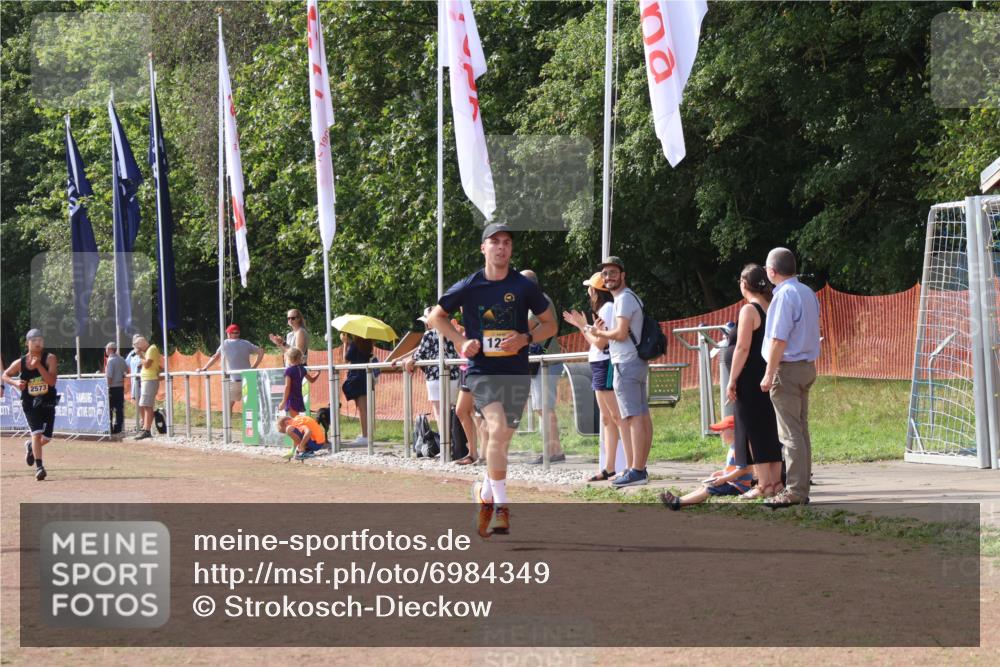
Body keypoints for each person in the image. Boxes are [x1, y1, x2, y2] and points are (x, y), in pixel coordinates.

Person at [428, 222, 556, 538]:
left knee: (501, 442)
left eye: (507, 243)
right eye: (495, 242)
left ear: (511, 249)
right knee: (497, 430)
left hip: (516, 372)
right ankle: (501, 509)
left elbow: (550, 325)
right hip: (482, 372)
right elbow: (435, 317)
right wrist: (459, 341)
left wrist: (525, 338)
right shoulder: (470, 286)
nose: (501, 248)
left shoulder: (524, 287)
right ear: (484, 248)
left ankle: (485, 493)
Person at [761, 247, 821, 507]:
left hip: (788, 368)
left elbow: (778, 339)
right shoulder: (807, 292)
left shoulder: (784, 296)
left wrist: (768, 373)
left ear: (772, 271)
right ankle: (802, 484)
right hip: (807, 365)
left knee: (789, 433)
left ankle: (795, 490)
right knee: (801, 429)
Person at [588, 256, 653, 488]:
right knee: (641, 415)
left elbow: (620, 334)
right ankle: (640, 468)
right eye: (605, 274)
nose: (608, 277)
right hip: (634, 361)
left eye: (613, 272)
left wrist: (597, 332)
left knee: (632, 416)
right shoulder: (627, 297)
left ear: (623, 274)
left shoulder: (624, 299)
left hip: (626, 362)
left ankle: (636, 470)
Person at [723, 264, 785, 499]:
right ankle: (776, 482)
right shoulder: (771, 307)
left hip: (749, 377)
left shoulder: (749, 310)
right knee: (768, 429)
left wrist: (732, 379)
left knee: (751, 429)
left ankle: (763, 484)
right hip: (766, 373)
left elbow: (742, 347)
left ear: (744, 284)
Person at [563, 272, 629, 481]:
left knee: (617, 417)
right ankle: (609, 467)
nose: (588, 291)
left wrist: (583, 325)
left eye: (590, 288)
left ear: (595, 291)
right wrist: (582, 325)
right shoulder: (603, 309)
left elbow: (601, 343)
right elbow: (595, 340)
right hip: (599, 363)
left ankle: (630, 465)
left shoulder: (608, 309)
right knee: (608, 419)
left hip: (605, 363)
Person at [658, 415, 753, 509]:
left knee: (709, 489)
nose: (720, 433)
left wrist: (724, 478)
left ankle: (679, 503)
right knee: (705, 486)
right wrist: (721, 473)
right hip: (732, 483)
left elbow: (745, 469)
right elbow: (733, 468)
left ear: (734, 431)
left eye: (723, 430)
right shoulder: (733, 447)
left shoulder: (740, 448)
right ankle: (679, 499)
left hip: (739, 487)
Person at [521, 270, 565, 465]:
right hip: (543, 362)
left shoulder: (539, 301)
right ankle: (553, 449)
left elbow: (526, 325)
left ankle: (553, 451)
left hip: (547, 362)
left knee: (544, 408)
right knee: (542, 407)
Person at [2, 329, 59, 481]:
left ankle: (30, 448)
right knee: (36, 433)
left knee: (46, 438)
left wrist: (39, 366)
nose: (38, 342)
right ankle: (39, 467)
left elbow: (52, 382)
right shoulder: (20, 362)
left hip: (48, 401)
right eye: (34, 340)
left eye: (40, 339)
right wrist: (15, 382)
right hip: (30, 403)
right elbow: (4, 375)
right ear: (27, 343)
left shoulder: (50, 359)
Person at [399, 307, 461, 435]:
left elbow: (420, 354)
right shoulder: (453, 331)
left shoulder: (429, 334)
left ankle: (445, 445)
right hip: (454, 376)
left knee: (439, 411)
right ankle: (454, 444)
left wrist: (410, 360)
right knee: (451, 410)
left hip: (435, 377)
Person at [198, 324, 265, 416]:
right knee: (251, 403)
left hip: (236, 379)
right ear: (238, 333)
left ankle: (227, 425)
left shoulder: (225, 343)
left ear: (228, 333)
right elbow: (261, 351)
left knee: (229, 403)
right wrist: (254, 367)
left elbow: (215, 357)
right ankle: (253, 426)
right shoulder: (246, 343)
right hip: (249, 377)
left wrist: (204, 368)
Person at [340, 333, 375, 446]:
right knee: (364, 408)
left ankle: (365, 436)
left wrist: (345, 343)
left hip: (356, 377)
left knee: (361, 409)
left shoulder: (355, 344)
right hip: (365, 376)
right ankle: (366, 433)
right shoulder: (368, 343)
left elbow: (346, 359)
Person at [132, 335, 161, 441]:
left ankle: (146, 430)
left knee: (146, 405)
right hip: (147, 380)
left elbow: (147, 364)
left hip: (150, 380)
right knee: (144, 404)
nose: (139, 350)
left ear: (143, 344)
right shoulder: (149, 350)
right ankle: (145, 428)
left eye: (139, 347)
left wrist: (140, 355)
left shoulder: (152, 349)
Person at [281, 347, 319, 416]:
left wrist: (283, 401)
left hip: (291, 398)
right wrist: (318, 373)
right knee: (295, 419)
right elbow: (312, 380)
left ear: (289, 358)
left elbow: (287, 386)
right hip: (298, 397)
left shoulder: (289, 371)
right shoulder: (302, 369)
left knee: (295, 421)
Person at [104, 342, 128, 435]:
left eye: (106, 348)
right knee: (119, 408)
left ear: (110, 349)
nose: (105, 350)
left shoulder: (110, 361)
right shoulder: (121, 359)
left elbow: (109, 376)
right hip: (120, 386)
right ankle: (118, 427)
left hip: (112, 387)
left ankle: (109, 427)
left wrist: (107, 387)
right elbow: (126, 370)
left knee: (109, 408)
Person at [125, 336, 144, 431]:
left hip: (142, 381)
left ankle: (143, 422)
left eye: (136, 342)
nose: (134, 345)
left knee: (142, 401)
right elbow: (126, 364)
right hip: (134, 381)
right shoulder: (131, 354)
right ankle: (143, 419)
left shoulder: (144, 352)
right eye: (133, 343)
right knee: (136, 401)